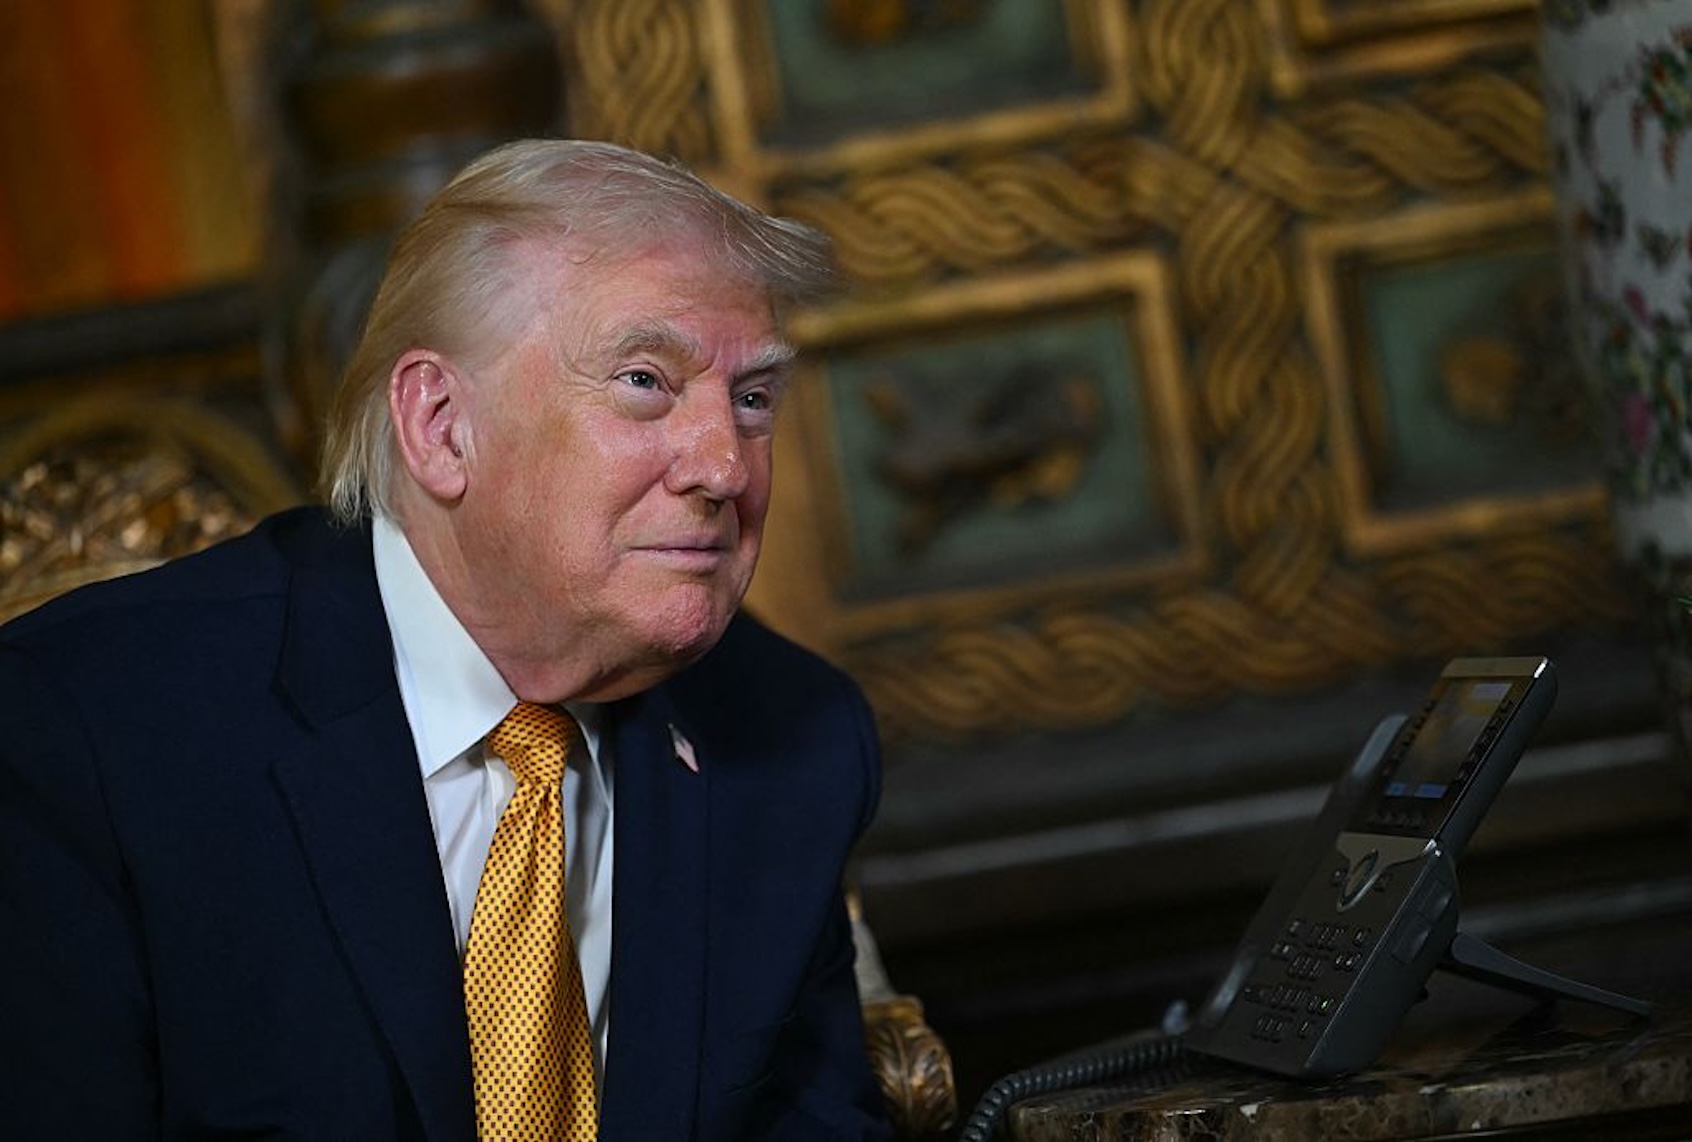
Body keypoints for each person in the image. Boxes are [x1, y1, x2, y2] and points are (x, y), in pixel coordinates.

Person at [0, 139, 893, 1140]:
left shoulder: (792, 738)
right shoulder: (89, 734)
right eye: (646, 380)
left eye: (753, 398)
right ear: (439, 425)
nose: (726, 466)